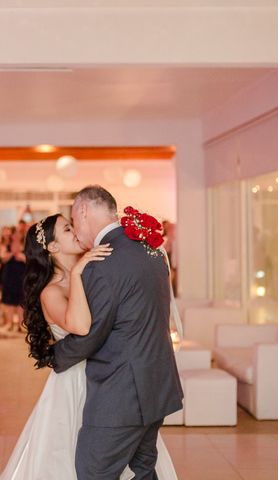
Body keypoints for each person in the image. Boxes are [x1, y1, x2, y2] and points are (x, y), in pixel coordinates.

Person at [0, 212, 179, 480]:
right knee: (78, 458)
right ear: (53, 247)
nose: (75, 231)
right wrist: (77, 275)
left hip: (112, 376)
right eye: (67, 229)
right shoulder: (51, 290)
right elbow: (82, 327)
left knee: (130, 457)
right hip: (74, 382)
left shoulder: (95, 271)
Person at [54, 185, 182, 479]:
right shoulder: (149, 248)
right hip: (155, 385)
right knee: (143, 470)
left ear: (83, 210)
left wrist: (54, 355)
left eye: (74, 220)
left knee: (93, 472)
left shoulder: (103, 261)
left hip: (122, 393)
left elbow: (91, 333)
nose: (75, 230)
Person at [0, 228, 26, 333]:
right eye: (14, 234)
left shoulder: (26, 245)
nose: (16, 236)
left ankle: (20, 324)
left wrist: (21, 256)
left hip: (21, 275)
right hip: (9, 275)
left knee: (21, 301)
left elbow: (29, 259)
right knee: (9, 301)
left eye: (18, 233)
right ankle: (10, 323)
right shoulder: (6, 246)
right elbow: (2, 257)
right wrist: (12, 254)